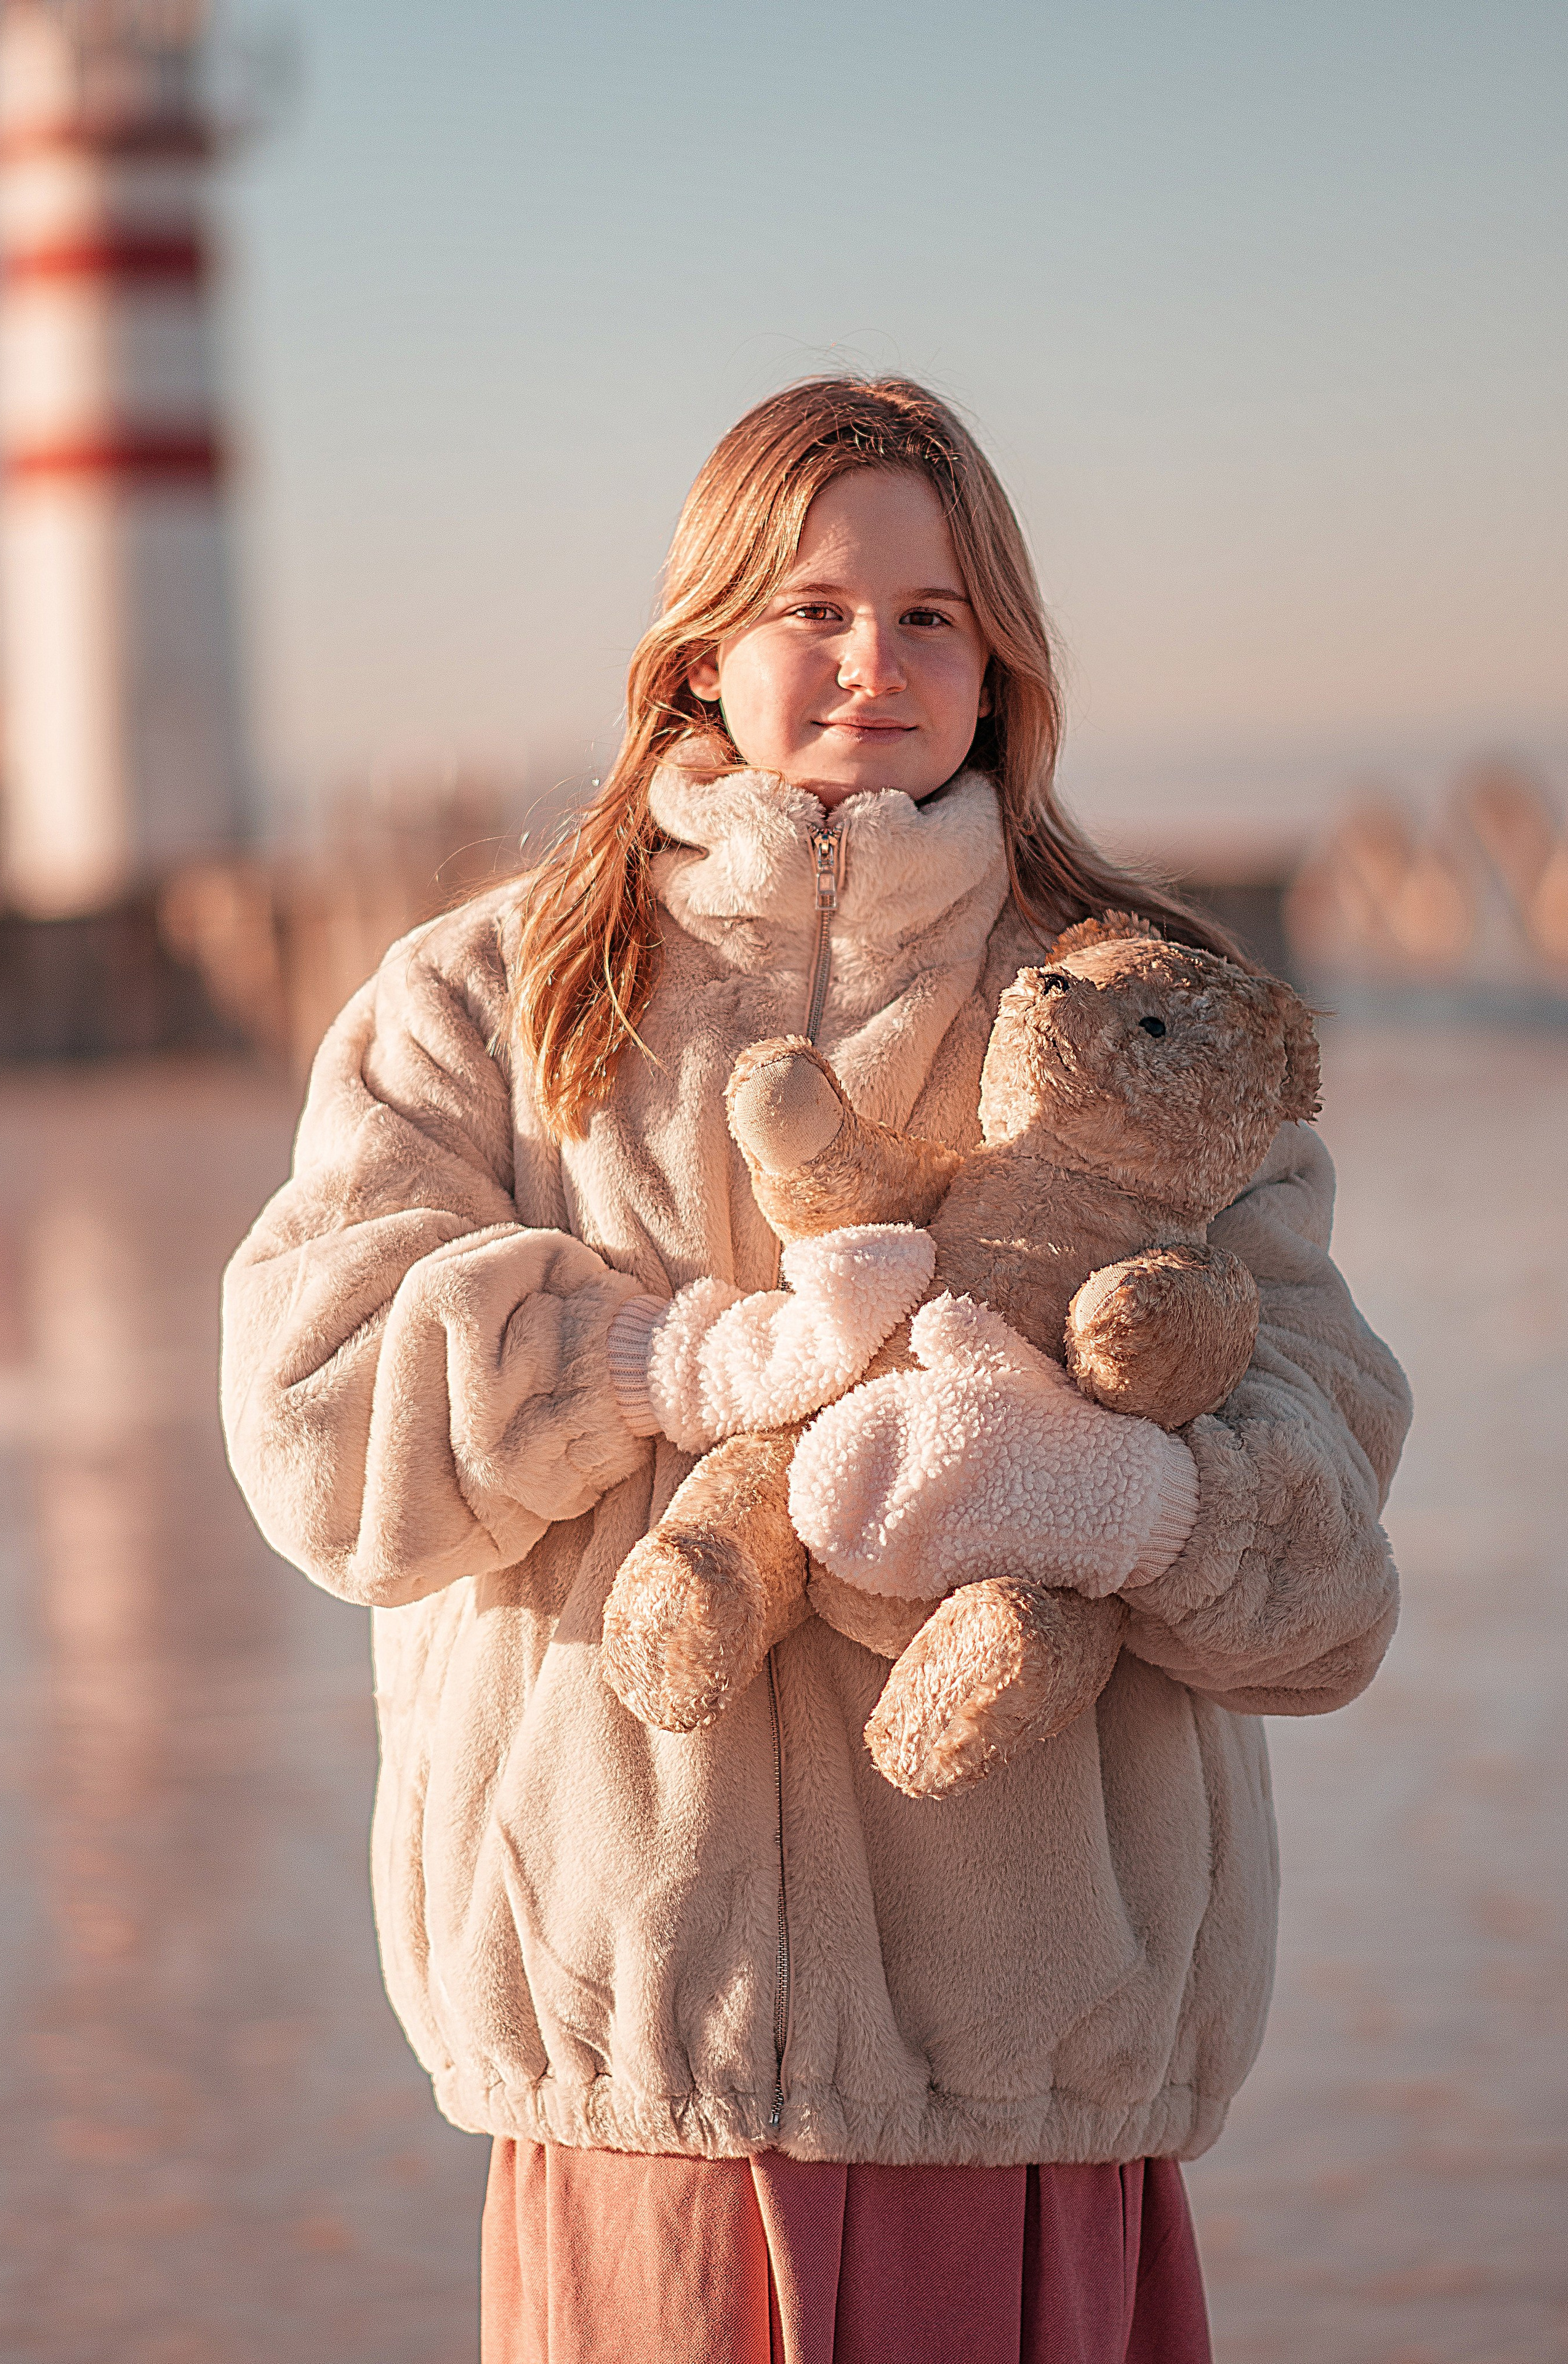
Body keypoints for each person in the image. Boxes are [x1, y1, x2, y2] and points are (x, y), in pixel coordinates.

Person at [221, 376, 1411, 2364]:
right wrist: (668, 1356)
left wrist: (1127, 1496)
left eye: (933, 615)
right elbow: (317, 1420)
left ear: (1002, 655)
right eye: (818, 610)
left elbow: (1334, 1556)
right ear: (703, 648)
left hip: (1036, 2090)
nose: (876, 663)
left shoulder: (1153, 1016)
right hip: (633, 2076)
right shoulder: (493, 993)